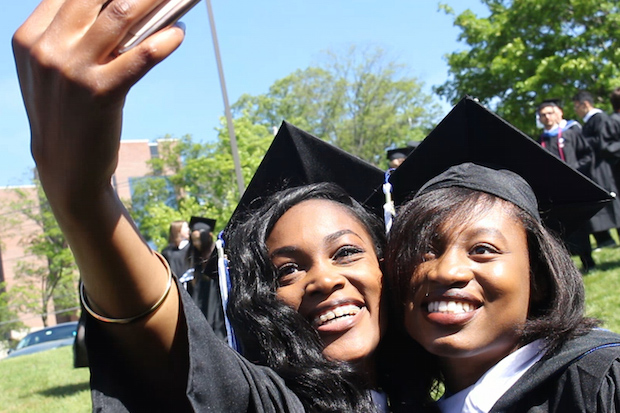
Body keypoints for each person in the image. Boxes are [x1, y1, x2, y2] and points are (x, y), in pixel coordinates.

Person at [12, 2, 391, 411]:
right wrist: (84, 198)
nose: (323, 279)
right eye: (287, 271)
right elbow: (177, 351)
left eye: (347, 252)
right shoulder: (273, 402)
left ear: (389, 265)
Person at [384, 97, 620, 412]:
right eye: (423, 250)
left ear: (538, 279)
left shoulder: (597, 386)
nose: (446, 271)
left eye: (482, 250)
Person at [536, 99, 596, 272]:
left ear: (559, 113)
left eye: (550, 113)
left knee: (580, 225)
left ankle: (588, 261)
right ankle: (567, 268)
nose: (547, 117)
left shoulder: (571, 132)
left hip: (575, 185)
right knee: (560, 229)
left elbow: (587, 154)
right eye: (543, 115)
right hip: (555, 190)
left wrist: (576, 171)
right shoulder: (541, 139)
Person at [572, 90, 620, 249]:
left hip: (604, 170)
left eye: (576, 106)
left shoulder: (600, 119)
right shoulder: (590, 122)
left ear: (585, 104)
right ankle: (605, 239)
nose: (575, 110)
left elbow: (603, 144)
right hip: (597, 169)